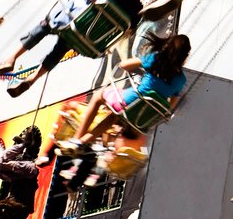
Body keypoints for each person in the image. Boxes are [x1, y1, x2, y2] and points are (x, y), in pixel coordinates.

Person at [57, 31, 193, 185]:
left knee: (98, 97)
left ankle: (77, 140)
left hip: (128, 102)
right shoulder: (181, 80)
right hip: (143, 118)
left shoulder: (154, 59)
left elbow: (124, 65)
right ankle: (84, 142)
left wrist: (142, 70)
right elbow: (170, 106)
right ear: (184, 55)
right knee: (114, 116)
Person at [0, 0, 147, 96]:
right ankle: (32, 80)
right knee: (63, 46)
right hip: (92, 43)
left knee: (46, 24)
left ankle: (11, 59)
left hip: (76, 24)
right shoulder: (137, 9)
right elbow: (127, 33)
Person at [0, 126, 45, 219]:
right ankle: (23, 145)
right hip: (28, 174)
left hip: (20, 177)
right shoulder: (15, 211)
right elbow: (19, 206)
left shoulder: (9, 210)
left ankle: (23, 147)